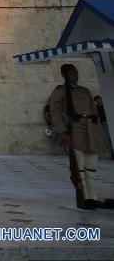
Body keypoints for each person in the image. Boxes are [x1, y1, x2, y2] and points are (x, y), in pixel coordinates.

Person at [49, 64, 113, 210]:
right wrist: (62, 132)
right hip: (75, 131)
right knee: (80, 168)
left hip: (90, 131)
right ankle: (85, 198)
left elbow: (93, 111)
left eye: (76, 72)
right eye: (72, 73)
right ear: (65, 75)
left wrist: (97, 132)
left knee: (91, 167)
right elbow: (55, 112)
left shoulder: (85, 91)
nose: (75, 75)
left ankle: (93, 197)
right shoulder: (60, 92)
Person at [95, 95, 114, 160]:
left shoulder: (106, 106)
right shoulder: (96, 108)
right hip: (102, 125)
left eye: (99, 99)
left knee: (110, 139)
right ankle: (110, 154)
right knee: (106, 140)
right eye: (97, 100)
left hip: (108, 124)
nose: (99, 101)